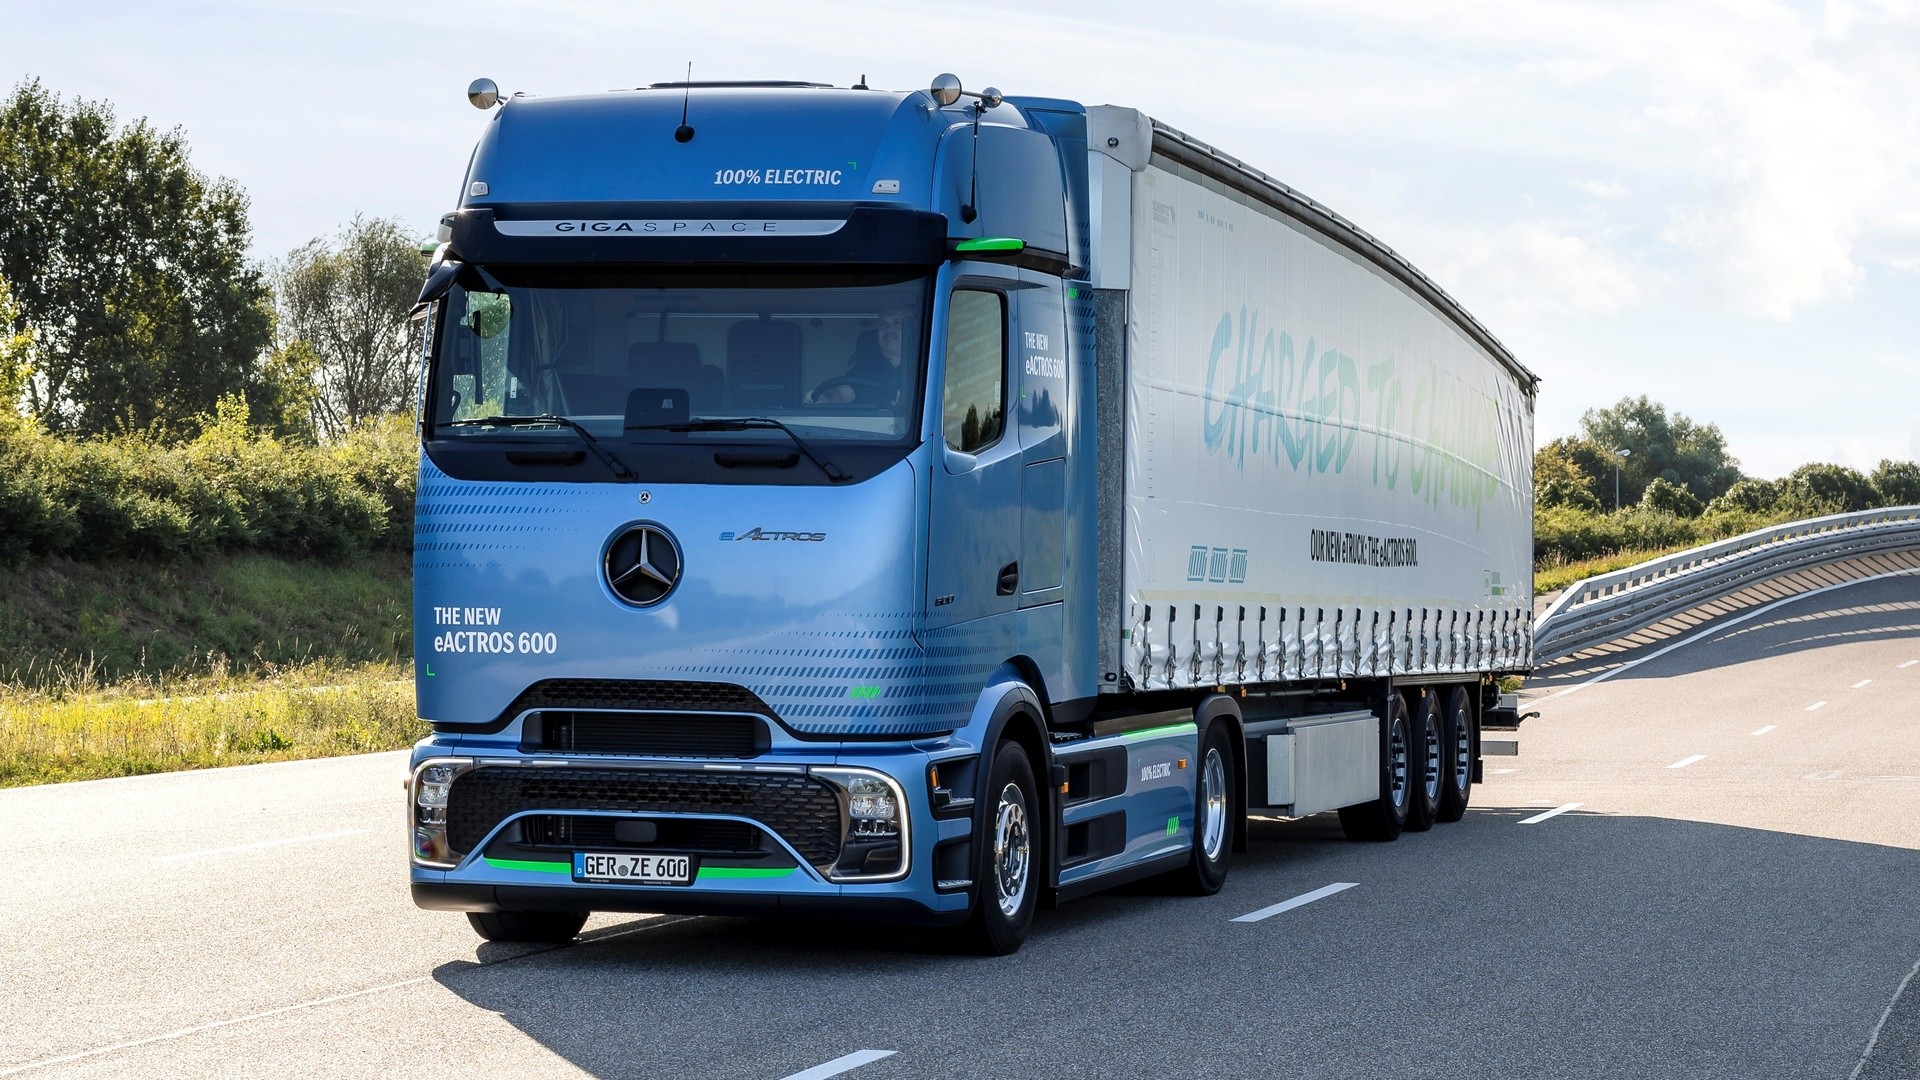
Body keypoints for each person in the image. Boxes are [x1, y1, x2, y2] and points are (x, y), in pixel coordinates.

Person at [807, 306, 909, 406]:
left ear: (913, 329)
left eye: (897, 323)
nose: (888, 330)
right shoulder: (865, 370)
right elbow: (842, 393)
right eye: (883, 324)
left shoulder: (923, 371)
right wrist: (825, 398)